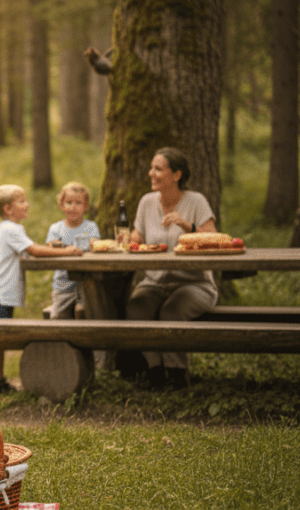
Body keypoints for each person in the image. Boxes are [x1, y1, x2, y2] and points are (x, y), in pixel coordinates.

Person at [0, 184, 83, 402]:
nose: (27, 204)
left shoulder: (12, 229)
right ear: (8, 208)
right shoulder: (10, 229)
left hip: (0, 295)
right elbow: (34, 250)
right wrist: (66, 251)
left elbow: (30, 250)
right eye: (21, 201)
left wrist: (51, 248)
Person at [123, 147, 218, 388]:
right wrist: (128, 241)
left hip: (194, 283)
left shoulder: (196, 201)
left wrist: (186, 225)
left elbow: (213, 239)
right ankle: (155, 370)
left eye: (158, 169)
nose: (151, 173)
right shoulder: (146, 202)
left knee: (171, 312)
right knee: (136, 307)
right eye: (151, 168)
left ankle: (177, 374)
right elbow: (137, 236)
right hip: (154, 283)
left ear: (177, 175)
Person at [45, 182, 101, 319]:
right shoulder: (56, 229)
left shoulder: (91, 227)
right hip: (63, 284)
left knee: (87, 315)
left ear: (86, 206)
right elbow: (51, 246)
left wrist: (94, 243)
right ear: (62, 205)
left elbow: (96, 244)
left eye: (78, 203)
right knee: (58, 317)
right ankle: (60, 338)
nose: (73, 207)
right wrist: (66, 248)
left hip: (87, 284)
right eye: (69, 202)